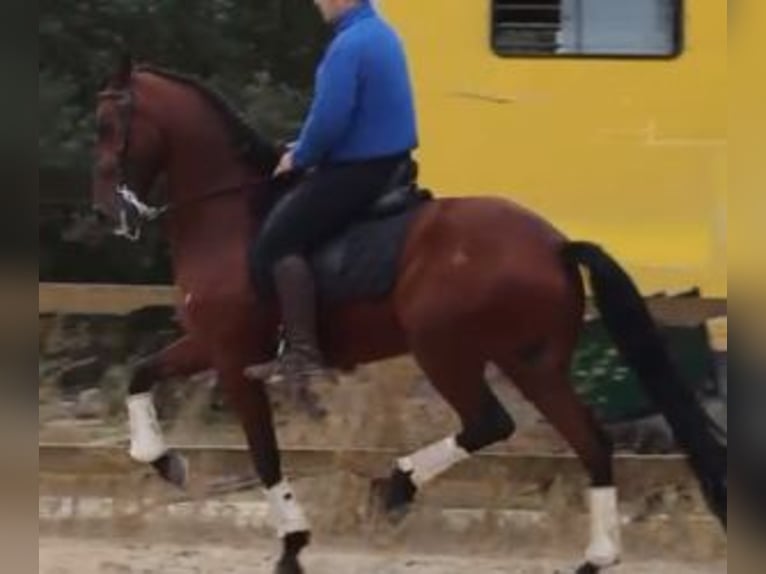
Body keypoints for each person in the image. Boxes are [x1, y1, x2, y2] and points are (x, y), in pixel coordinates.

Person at [250, 0, 418, 396]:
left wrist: (299, 156)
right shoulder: (380, 33)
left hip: (359, 172)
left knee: (278, 241)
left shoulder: (349, 45)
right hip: (388, 163)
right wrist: (304, 145)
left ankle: (303, 359)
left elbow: (329, 119)